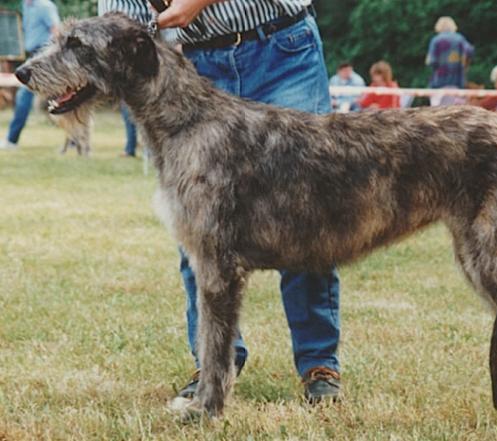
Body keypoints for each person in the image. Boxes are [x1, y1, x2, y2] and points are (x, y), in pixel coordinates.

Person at [100, 0, 342, 403]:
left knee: (304, 217)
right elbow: (120, 18)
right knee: (197, 228)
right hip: (198, 64)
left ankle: (320, 365)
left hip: (282, 46)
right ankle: (215, 367)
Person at [1, 0, 59, 150]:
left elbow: (57, 31)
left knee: (24, 96)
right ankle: (75, 140)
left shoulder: (45, 6)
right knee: (58, 97)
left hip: (44, 57)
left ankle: (11, 140)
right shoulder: (26, 5)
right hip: (33, 55)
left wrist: (52, 60)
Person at [425, 16, 474, 106]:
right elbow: (470, 52)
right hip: (457, 81)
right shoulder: (460, 39)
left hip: (440, 82)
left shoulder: (436, 40)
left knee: (438, 112)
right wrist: (465, 66)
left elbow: (432, 61)